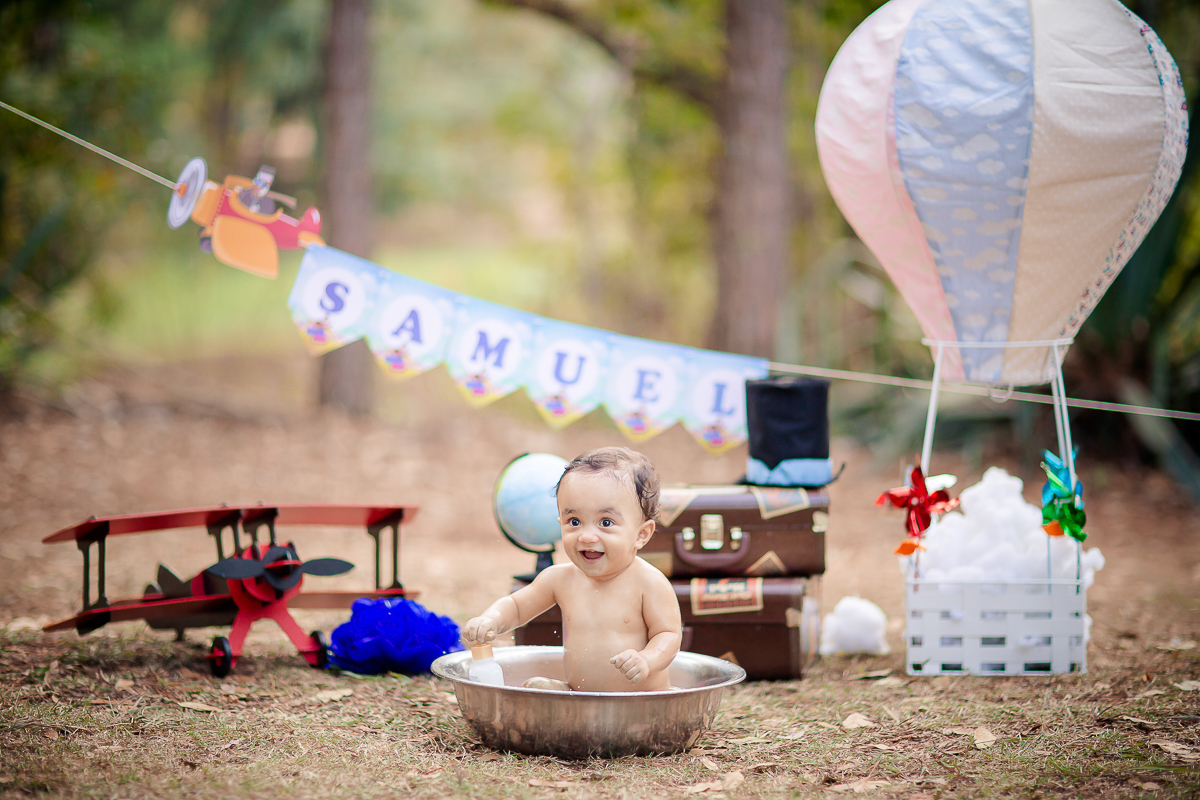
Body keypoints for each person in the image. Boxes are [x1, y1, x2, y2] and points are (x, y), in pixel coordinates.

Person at [464, 446, 682, 692]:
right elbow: (516, 607)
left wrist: (647, 659)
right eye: (574, 522)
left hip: (641, 700)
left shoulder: (649, 582)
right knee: (536, 689)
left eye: (606, 522)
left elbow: (669, 636)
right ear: (560, 523)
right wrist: (490, 620)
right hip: (581, 698)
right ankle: (564, 695)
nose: (587, 536)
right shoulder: (560, 579)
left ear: (641, 534)